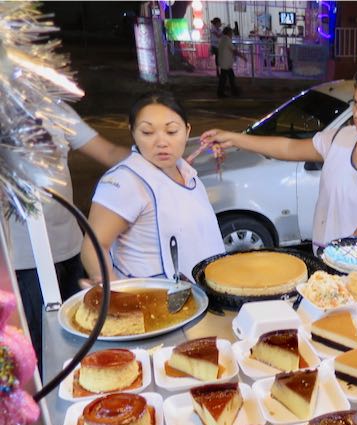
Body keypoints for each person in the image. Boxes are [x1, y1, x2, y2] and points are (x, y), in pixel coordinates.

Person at [200, 63, 357, 252]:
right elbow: (289, 148)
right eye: (355, 104)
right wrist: (234, 139)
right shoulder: (339, 138)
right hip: (328, 259)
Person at [11, 102, 129, 365]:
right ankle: (47, 405)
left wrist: (158, 155)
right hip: (26, 263)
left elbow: (109, 152)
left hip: (72, 249)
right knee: (45, 349)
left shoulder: (52, 107)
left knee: (88, 331)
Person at [80, 91, 224, 282]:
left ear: (187, 131)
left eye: (172, 131)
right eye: (147, 132)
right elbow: (94, 246)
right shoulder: (125, 181)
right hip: (152, 302)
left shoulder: (189, 175)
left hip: (201, 295)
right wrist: (113, 294)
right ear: (132, 132)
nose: (162, 142)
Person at [217, 26, 246, 98]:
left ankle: (233, 91)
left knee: (229, 77)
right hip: (226, 63)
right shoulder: (227, 40)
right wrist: (242, 56)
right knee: (225, 79)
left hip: (224, 62)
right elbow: (234, 50)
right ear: (229, 33)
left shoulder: (222, 39)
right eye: (231, 32)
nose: (232, 34)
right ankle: (222, 93)